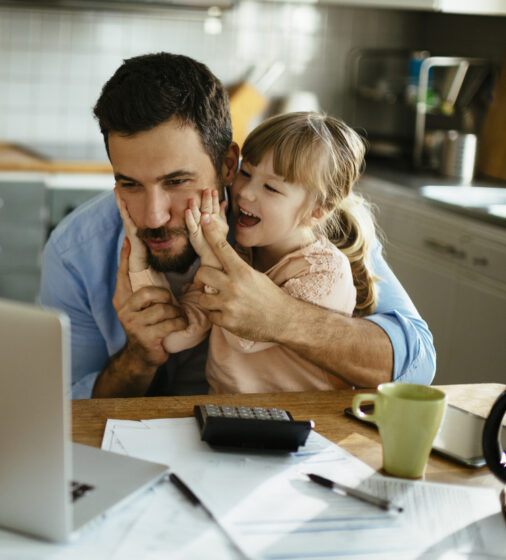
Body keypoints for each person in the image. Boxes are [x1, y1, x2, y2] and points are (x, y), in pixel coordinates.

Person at [39, 52, 435, 399]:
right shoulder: (77, 251)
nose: (154, 216)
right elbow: (65, 409)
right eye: (129, 184)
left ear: (229, 165)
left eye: (177, 182)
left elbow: (416, 363)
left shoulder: (300, 224)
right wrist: (139, 356)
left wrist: (281, 317)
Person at [120, 111, 379, 393]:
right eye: (246, 173)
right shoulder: (241, 254)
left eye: (271, 187)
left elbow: (244, 336)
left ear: (317, 212)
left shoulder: (326, 272)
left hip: (304, 421)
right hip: (229, 415)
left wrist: (210, 253)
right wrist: (140, 264)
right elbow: (175, 338)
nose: (245, 192)